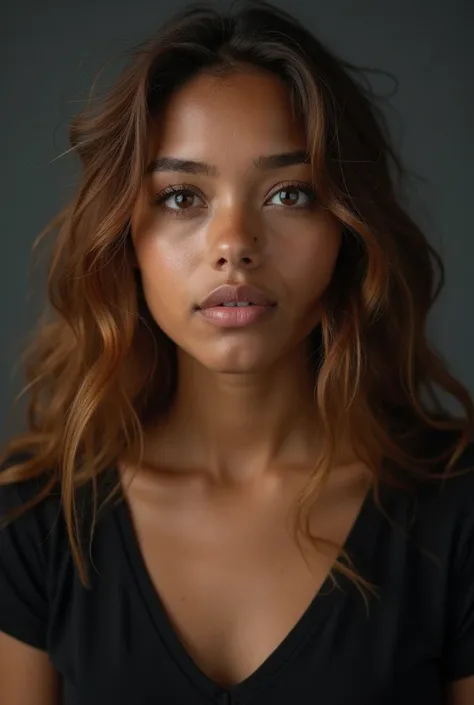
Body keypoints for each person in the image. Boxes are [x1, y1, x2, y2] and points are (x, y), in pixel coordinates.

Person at [1, 0, 473, 703]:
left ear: (348, 230)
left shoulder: (457, 506)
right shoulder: (37, 515)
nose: (234, 243)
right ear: (124, 237)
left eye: (289, 193)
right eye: (183, 195)